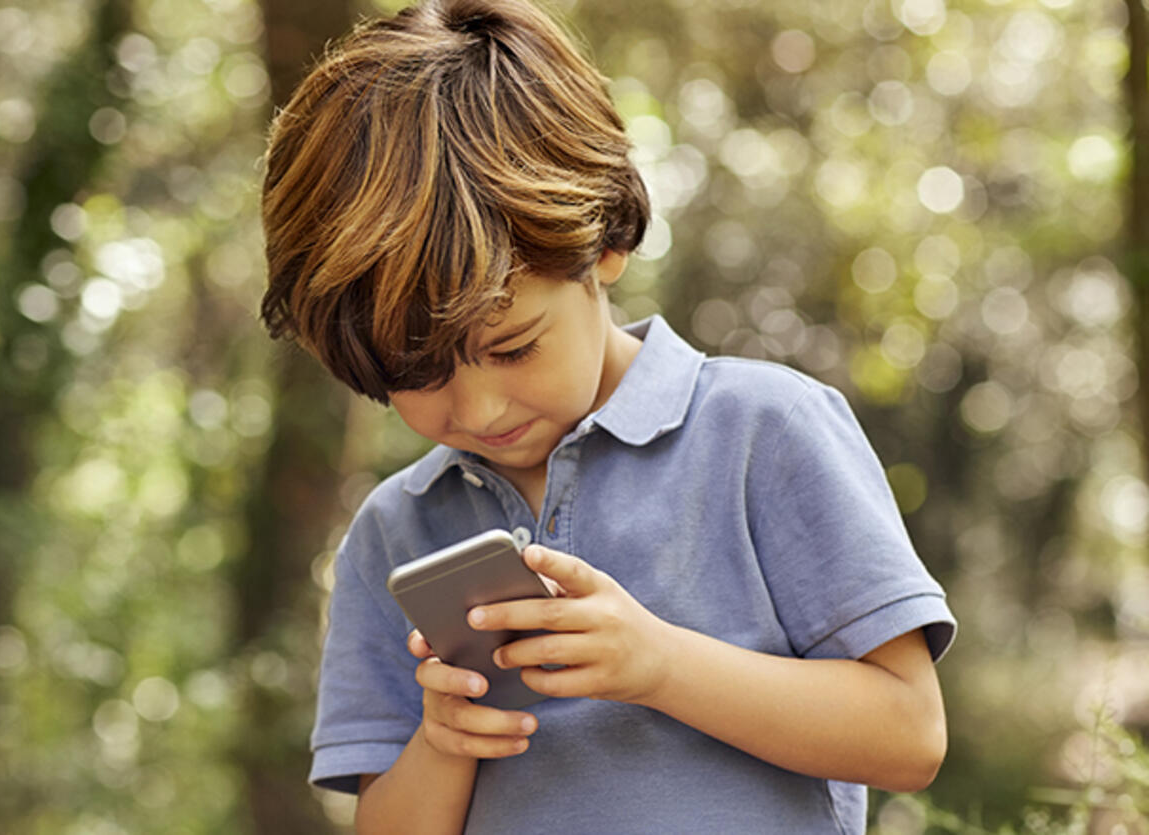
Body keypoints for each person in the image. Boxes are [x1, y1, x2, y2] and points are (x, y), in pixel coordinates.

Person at [258, 0, 956, 831]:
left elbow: (909, 733)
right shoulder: (397, 532)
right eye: (416, 373)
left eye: (513, 347)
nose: (478, 407)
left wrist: (656, 663)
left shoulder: (763, 431)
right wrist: (444, 741)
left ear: (606, 243)